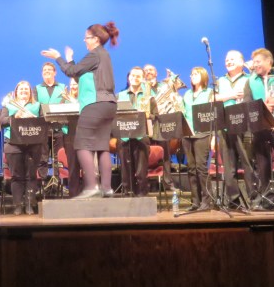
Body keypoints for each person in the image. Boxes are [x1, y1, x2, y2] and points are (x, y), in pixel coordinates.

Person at [42, 21, 119, 199]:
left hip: (94, 104)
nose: (85, 41)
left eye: (87, 38)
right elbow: (78, 74)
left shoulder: (94, 54)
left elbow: (71, 72)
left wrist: (58, 57)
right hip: (109, 104)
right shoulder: (104, 55)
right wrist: (69, 59)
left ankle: (91, 186)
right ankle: (106, 188)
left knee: (81, 144)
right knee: (102, 146)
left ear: (96, 39)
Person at [243, 48, 274, 209]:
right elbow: (247, 103)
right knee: (263, 165)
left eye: (258, 62)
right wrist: (262, 107)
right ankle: (267, 199)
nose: (255, 65)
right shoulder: (250, 81)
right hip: (260, 127)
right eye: (254, 62)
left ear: (269, 62)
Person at [215, 50, 256, 208]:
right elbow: (213, 98)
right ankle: (233, 200)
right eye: (227, 59)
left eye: (232, 59)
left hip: (245, 125)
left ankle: (253, 198)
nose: (228, 61)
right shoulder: (220, 80)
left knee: (247, 162)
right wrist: (231, 95)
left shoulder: (249, 78)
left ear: (241, 62)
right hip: (225, 125)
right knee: (228, 166)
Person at [1, 81, 43, 214]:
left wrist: (34, 117)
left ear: (30, 92)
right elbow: (1, 121)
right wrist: (15, 117)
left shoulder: (37, 105)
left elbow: (44, 121)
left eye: (26, 89)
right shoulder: (9, 105)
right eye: (21, 89)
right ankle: (17, 205)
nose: (24, 91)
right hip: (13, 144)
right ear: (16, 92)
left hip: (33, 144)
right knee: (16, 176)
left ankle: (29, 204)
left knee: (31, 176)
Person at [116, 66, 156, 197]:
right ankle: (128, 198)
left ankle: (142, 198)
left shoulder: (149, 97)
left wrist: (147, 115)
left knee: (141, 173)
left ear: (143, 79)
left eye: (138, 76)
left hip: (141, 138)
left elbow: (155, 116)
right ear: (129, 77)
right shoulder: (119, 96)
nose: (135, 78)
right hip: (124, 138)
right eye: (133, 75)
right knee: (126, 173)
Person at [181, 67, 213, 211]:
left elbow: (212, 116)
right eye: (191, 74)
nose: (192, 76)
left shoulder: (209, 93)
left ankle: (206, 201)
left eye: (195, 74)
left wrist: (213, 136)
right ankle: (195, 201)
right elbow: (183, 112)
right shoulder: (187, 94)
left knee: (201, 167)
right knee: (191, 168)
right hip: (187, 135)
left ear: (203, 76)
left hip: (203, 134)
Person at [35, 61, 71, 193]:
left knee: (58, 158)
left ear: (55, 72)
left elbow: (66, 104)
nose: (47, 72)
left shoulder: (62, 87)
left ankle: (59, 184)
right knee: (42, 157)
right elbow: (36, 107)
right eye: (44, 70)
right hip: (43, 128)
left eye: (49, 70)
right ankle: (42, 185)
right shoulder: (37, 88)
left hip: (58, 127)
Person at [143, 63, 176, 191]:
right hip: (145, 124)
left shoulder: (163, 87)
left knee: (165, 153)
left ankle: (168, 182)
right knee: (144, 153)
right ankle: (144, 182)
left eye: (151, 70)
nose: (148, 72)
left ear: (156, 73)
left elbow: (172, 100)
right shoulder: (141, 88)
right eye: (146, 70)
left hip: (161, 122)